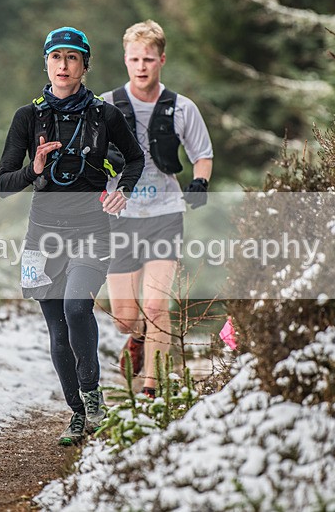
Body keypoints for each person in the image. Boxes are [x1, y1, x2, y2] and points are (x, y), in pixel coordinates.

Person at [0, 26, 144, 446]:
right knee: (57, 332)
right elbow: (3, 185)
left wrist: (123, 192)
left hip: (91, 230)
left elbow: (135, 159)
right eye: (56, 57)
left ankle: (94, 398)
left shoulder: (103, 114)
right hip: (42, 236)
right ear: (46, 62)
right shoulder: (28, 117)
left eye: (72, 58)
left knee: (78, 307)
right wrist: (34, 170)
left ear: (84, 65)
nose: (64, 65)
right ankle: (77, 414)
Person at [101, 20, 213, 398]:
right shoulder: (105, 106)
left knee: (156, 303)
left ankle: (151, 387)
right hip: (120, 216)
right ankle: (136, 337)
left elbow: (203, 154)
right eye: (134, 58)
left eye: (148, 58)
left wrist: (200, 182)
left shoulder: (181, 108)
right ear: (125, 60)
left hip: (165, 214)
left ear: (161, 59)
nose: (141, 66)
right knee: (125, 318)